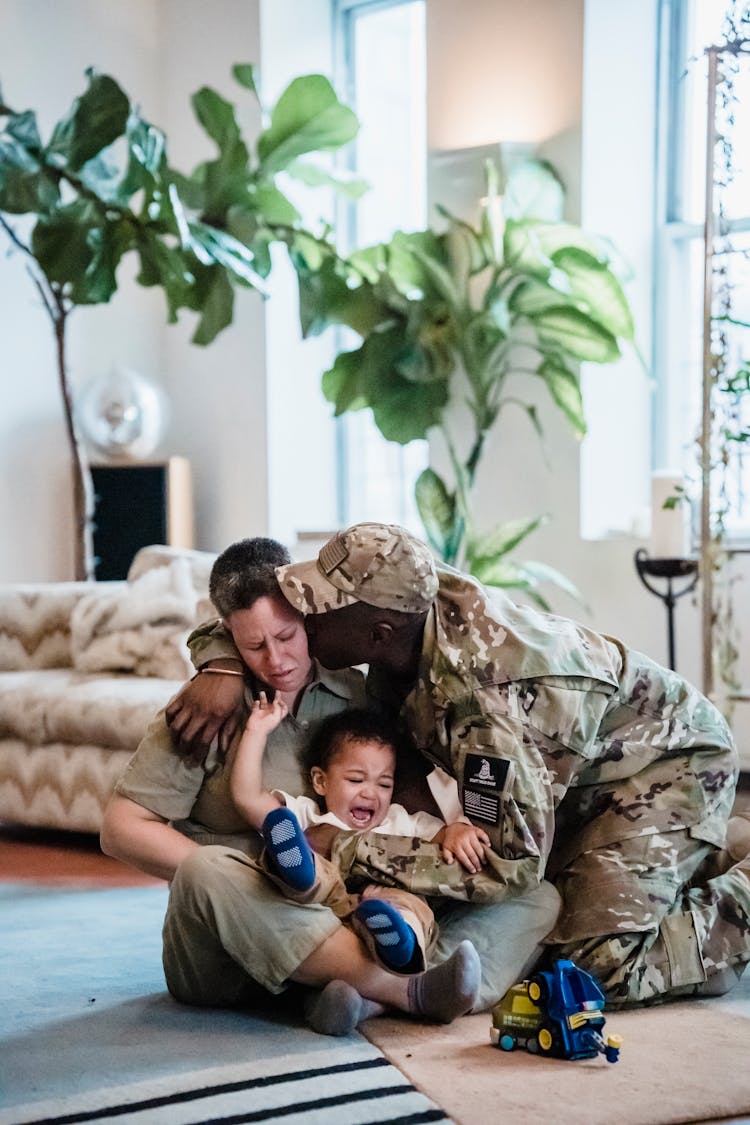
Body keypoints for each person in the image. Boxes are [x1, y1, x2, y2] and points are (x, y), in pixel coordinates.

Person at [264, 521, 750, 1008]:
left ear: (379, 634)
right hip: (574, 777)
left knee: (591, 969)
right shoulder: (409, 589)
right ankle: (706, 847)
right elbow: (255, 606)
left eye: (319, 611)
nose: (302, 620)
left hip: (670, 763)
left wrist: (346, 847)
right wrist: (216, 664)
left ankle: (731, 881)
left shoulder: (487, 709)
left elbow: (509, 864)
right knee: (548, 920)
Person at [101, 536, 557, 1035]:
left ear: (310, 617)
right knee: (206, 867)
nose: (277, 661)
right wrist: (252, 876)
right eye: (253, 646)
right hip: (230, 940)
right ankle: (405, 991)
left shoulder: (358, 695)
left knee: (538, 897)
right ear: (230, 638)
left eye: (288, 635)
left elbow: (402, 796)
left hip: (342, 912)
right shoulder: (205, 710)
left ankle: (355, 993)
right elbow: (121, 829)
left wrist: (455, 830)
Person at [231, 699, 492, 972]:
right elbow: (248, 799)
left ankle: (398, 939)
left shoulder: (399, 820)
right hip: (325, 912)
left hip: (384, 904)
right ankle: (301, 875)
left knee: (413, 907)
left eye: (384, 784)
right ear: (321, 781)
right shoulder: (311, 816)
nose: (370, 793)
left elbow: (443, 834)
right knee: (310, 857)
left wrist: (458, 831)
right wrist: (256, 732)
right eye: (356, 780)